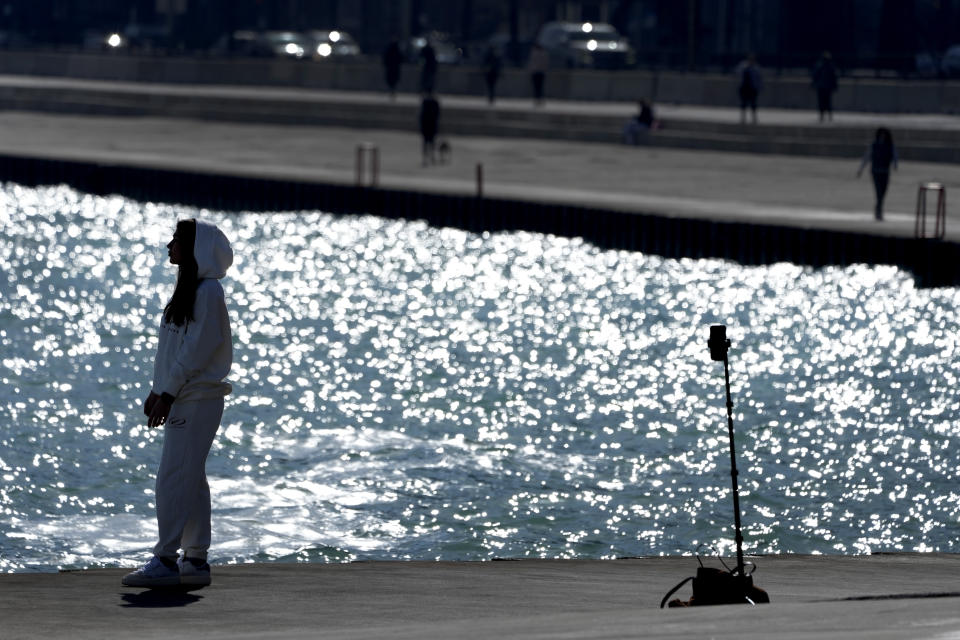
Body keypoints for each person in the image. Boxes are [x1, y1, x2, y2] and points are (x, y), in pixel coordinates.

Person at [122, 219, 234, 588]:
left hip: (195, 400)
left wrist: (168, 393)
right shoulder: (192, 290)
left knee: (172, 478)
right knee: (191, 478)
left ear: (197, 249)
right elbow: (175, 351)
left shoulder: (208, 293)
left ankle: (166, 559)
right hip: (185, 397)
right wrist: (159, 389)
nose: (169, 246)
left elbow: (198, 351)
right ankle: (196, 560)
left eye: (177, 241)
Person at [857, 127, 898, 221]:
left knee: (883, 192)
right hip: (876, 171)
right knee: (879, 193)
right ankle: (879, 211)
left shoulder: (889, 145)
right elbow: (867, 157)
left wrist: (895, 165)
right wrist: (860, 169)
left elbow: (895, 155)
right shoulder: (874, 145)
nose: (882, 136)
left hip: (885, 171)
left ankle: (878, 209)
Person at [812, 51, 838, 122]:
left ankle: (826, 115)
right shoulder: (822, 66)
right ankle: (823, 115)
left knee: (826, 102)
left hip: (825, 87)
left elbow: (833, 77)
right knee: (824, 102)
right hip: (823, 87)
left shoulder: (828, 66)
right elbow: (815, 76)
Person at [736, 53, 762, 124]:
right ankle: (743, 118)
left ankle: (754, 118)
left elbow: (759, 79)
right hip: (744, 88)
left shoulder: (756, 68)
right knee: (743, 103)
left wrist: (758, 87)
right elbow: (738, 75)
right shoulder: (743, 66)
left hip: (752, 88)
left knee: (753, 104)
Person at [420, 92, 441, 166]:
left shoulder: (425, 102)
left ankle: (426, 158)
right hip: (431, 125)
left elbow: (421, 115)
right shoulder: (434, 102)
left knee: (426, 143)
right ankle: (431, 157)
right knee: (431, 142)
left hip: (427, 125)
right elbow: (438, 114)